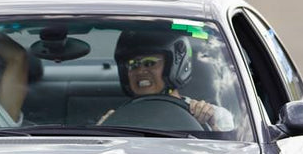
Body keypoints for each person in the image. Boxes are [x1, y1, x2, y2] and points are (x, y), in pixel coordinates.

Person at [99, 30, 235, 131]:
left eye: (150, 63)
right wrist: (103, 129)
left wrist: (210, 128)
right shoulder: (116, 119)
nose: (140, 71)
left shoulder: (216, 116)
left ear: (174, 65)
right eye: (133, 64)